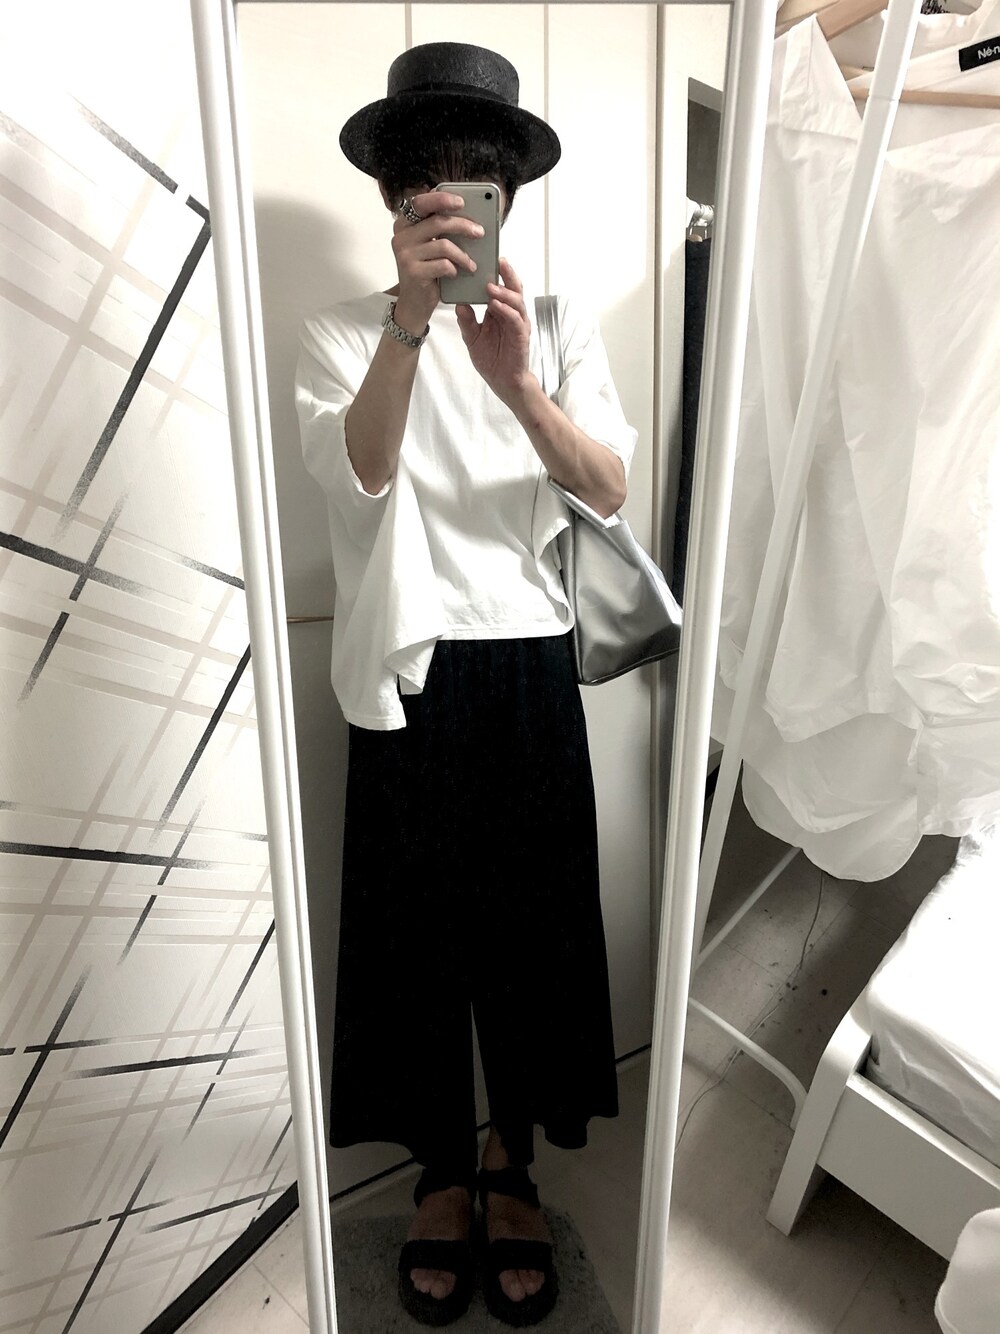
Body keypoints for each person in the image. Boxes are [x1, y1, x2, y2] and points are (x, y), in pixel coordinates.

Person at [294, 41, 637, 1327]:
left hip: (532, 660)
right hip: (409, 666)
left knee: (536, 933)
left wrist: (518, 385)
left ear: (506, 202)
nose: (451, 206)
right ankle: (440, 1167)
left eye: (475, 184)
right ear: (395, 203)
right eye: (427, 185)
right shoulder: (342, 332)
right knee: (412, 939)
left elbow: (607, 489)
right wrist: (407, 325)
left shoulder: (554, 325)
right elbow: (360, 473)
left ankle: (511, 1160)